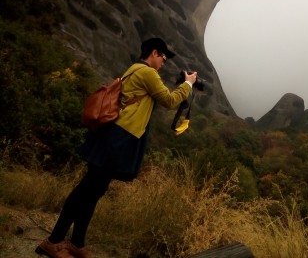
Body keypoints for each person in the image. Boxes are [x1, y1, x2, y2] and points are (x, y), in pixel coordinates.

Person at [36, 38, 197, 258]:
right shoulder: (148, 72)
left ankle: (76, 243)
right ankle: (53, 241)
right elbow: (169, 100)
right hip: (118, 137)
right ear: (155, 53)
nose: (164, 62)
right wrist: (187, 84)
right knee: (87, 189)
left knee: (95, 191)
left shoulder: (134, 68)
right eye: (164, 58)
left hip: (117, 135)